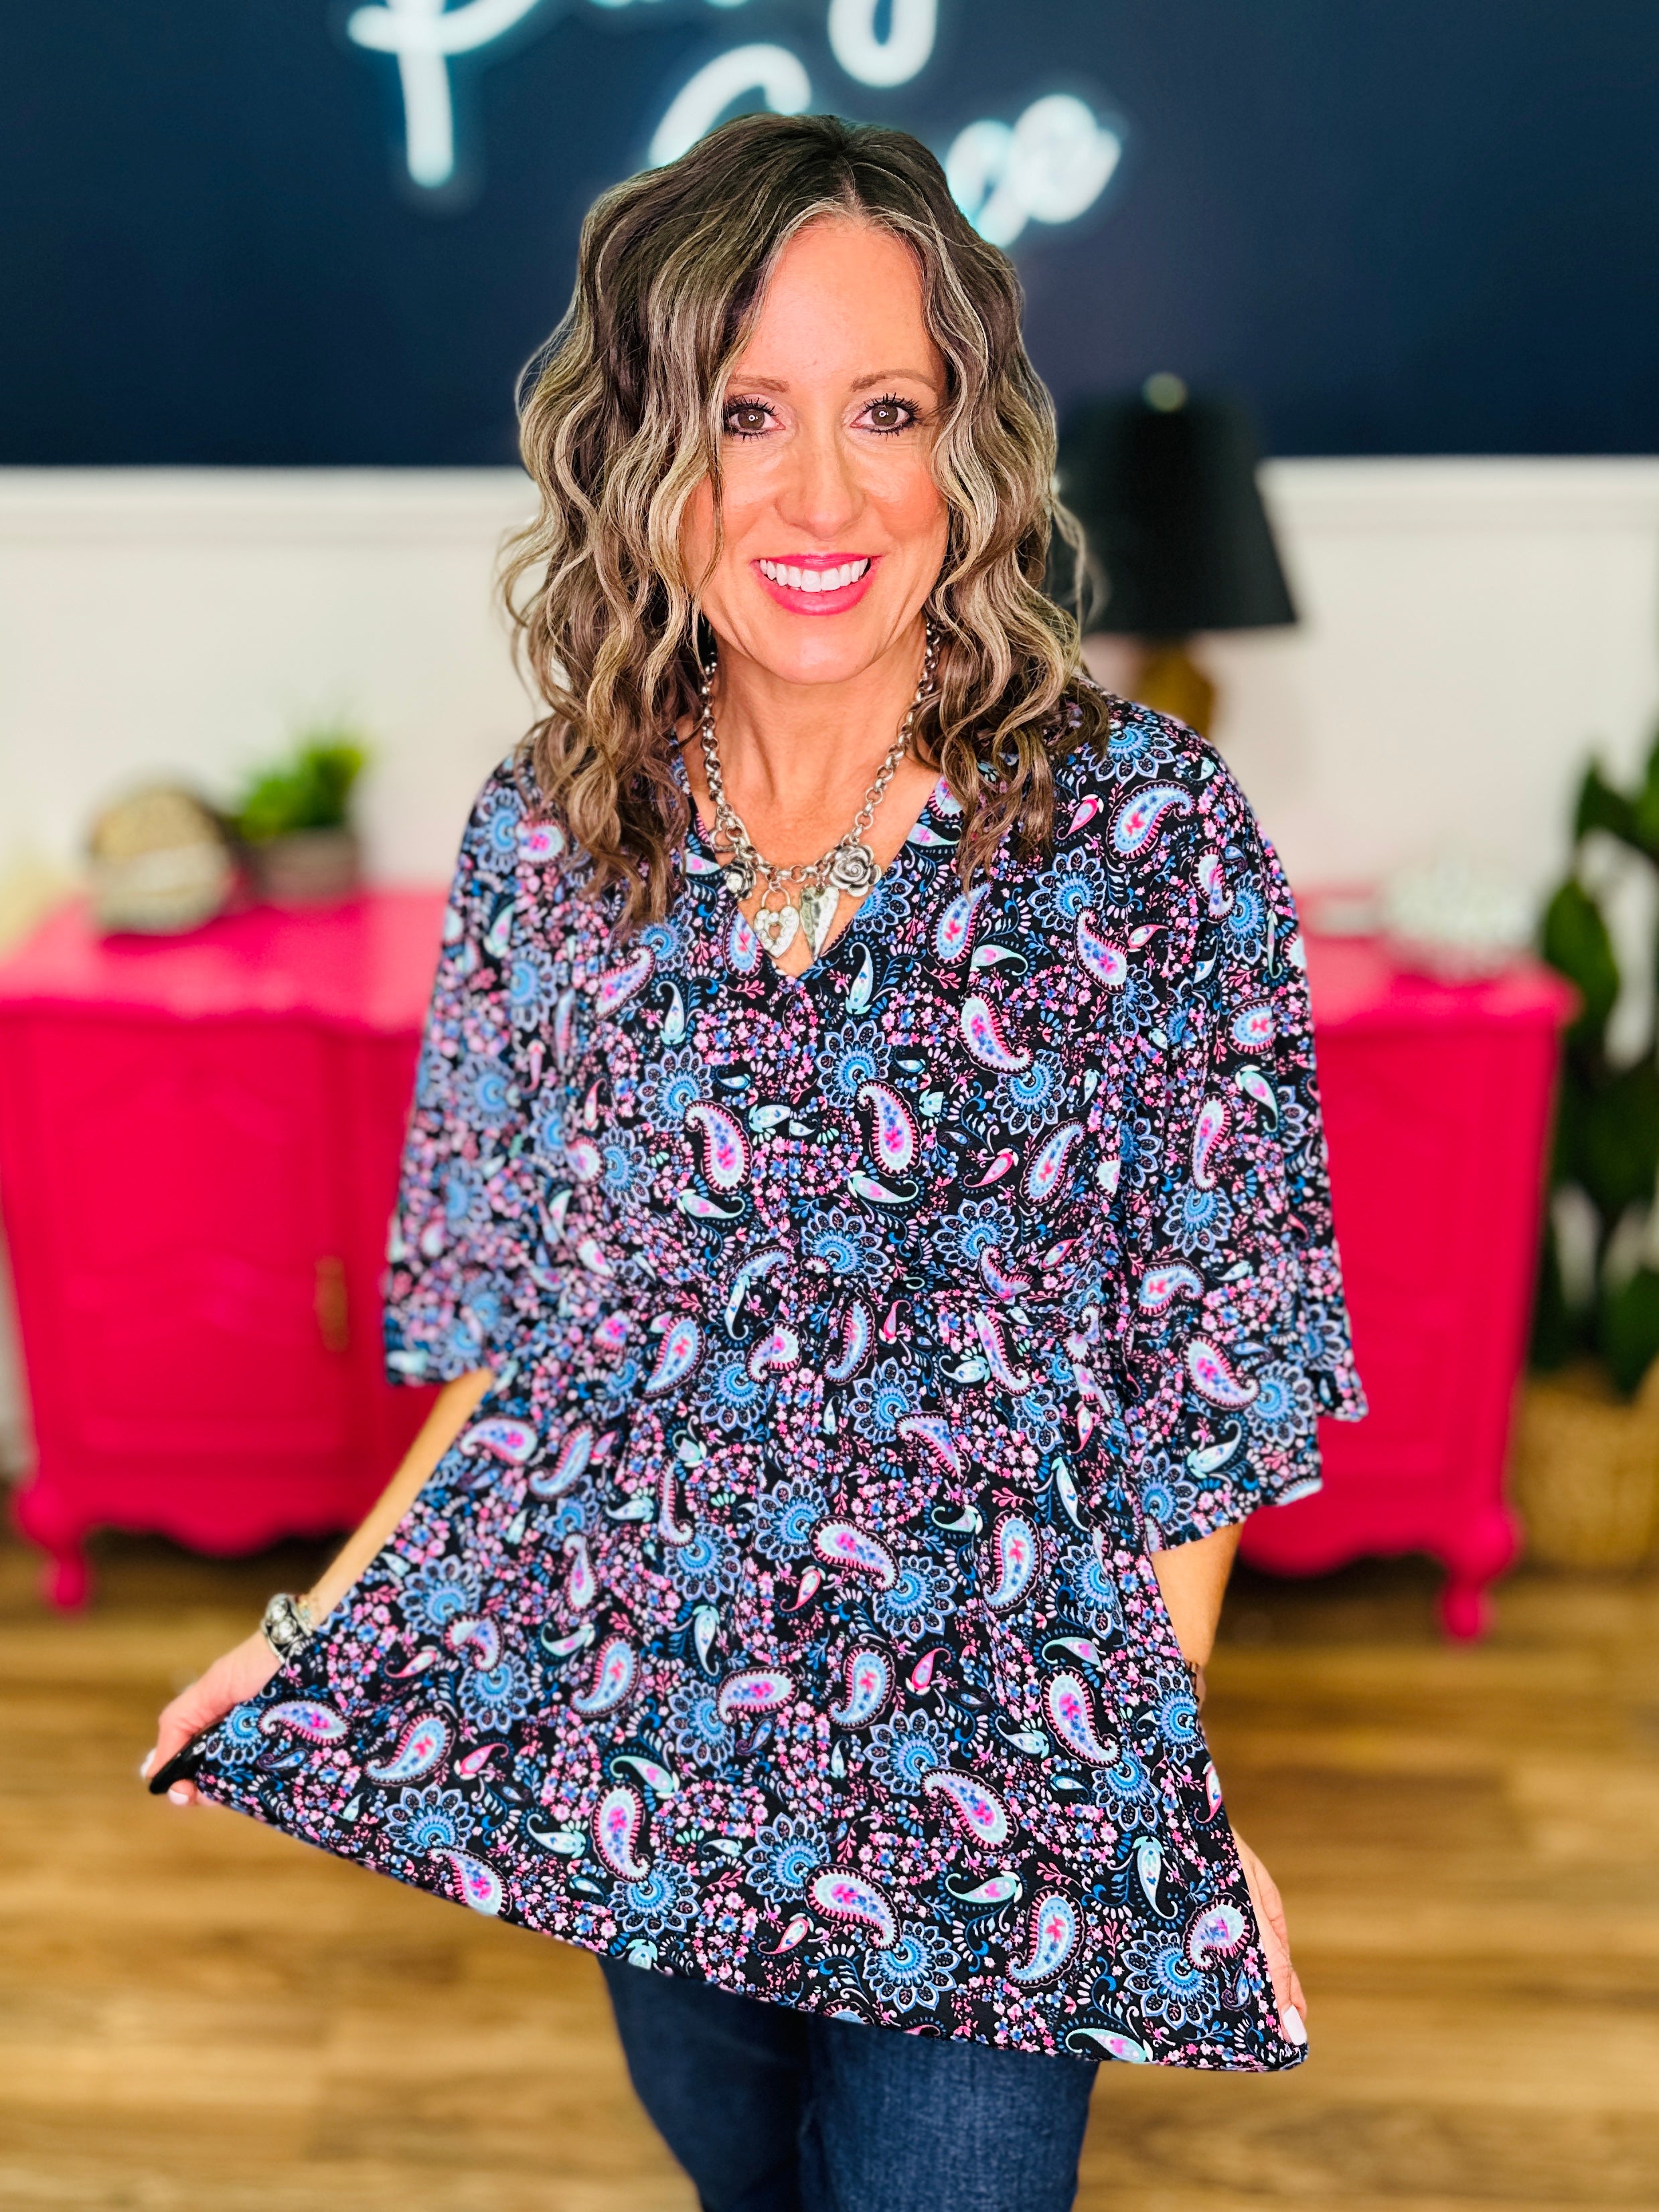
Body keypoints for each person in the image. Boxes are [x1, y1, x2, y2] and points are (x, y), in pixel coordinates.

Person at [145, 112, 1363, 2212]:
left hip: (998, 1804)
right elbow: (516, 1341)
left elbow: (1214, 1382)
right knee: (742, 2179)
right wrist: (313, 1632)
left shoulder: (1149, 844)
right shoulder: (554, 832)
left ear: (968, 442)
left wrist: (1148, 1802)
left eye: (886, 410)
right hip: (656, 1738)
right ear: (642, 454)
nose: (821, 496)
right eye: (744, 415)